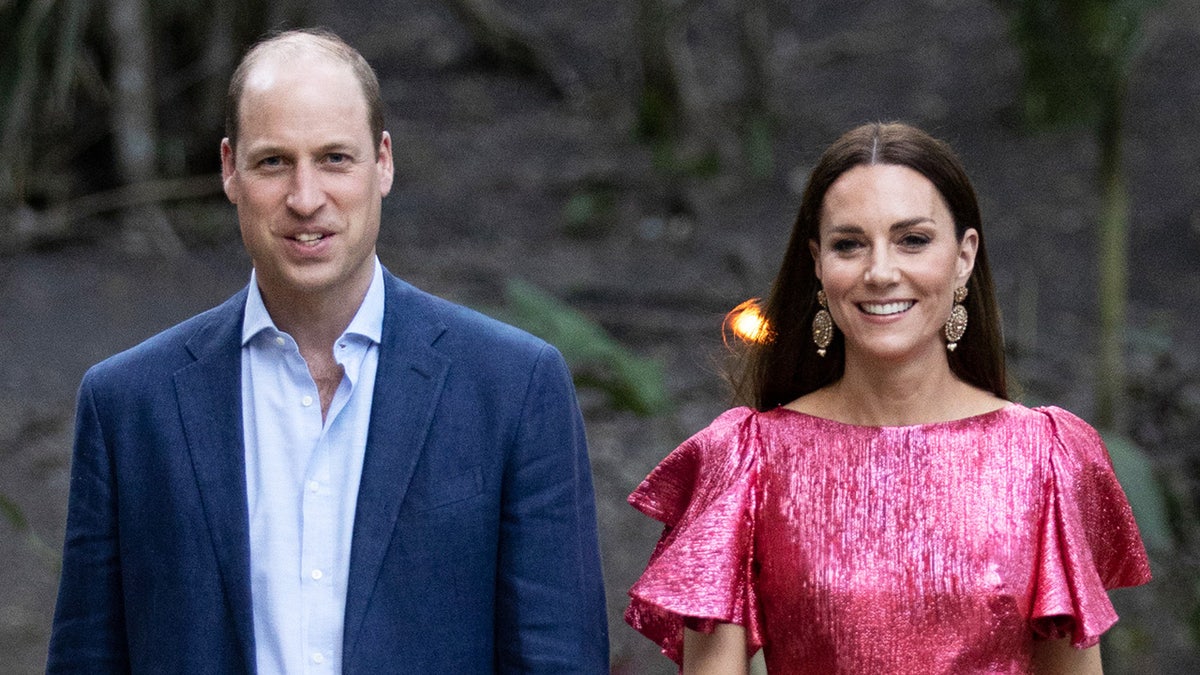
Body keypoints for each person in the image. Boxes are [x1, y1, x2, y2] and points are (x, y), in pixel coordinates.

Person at [48, 28, 608, 674]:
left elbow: (558, 660)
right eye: (274, 162)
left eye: (335, 159)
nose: (305, 198)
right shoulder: (128, 407)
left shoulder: (513, 389)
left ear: (384, 162)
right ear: (229, 169)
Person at [625, 122, 1151, 673]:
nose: (880, 272)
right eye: (849, 245)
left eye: (913, 240)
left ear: (965, 256)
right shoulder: (746, 459)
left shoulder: (1045, 456)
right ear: (817, 264)